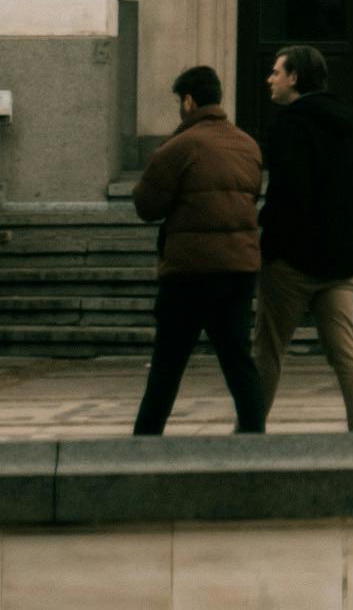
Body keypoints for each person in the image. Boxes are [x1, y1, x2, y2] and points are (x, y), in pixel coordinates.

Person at [130, 62, 270, 438]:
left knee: (167, 366)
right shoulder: (247, 144)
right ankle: (255, 438)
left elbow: (146, 206)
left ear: (189, 101)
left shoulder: (180, 146)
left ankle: (143, 443)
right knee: (238, 362)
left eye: (180, 101)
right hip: (238, 268)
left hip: (189, 272)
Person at [254, 46, 353, 436]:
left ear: (294, 78)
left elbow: (288, 194)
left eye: (276, 72)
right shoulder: (346, 123)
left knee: (269, 352)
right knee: (345, 351)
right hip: (340, 262)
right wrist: (347, 240)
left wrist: (271, 242)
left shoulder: (288, 126)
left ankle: (249, 433)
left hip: (291, 262)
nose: (270, 79)